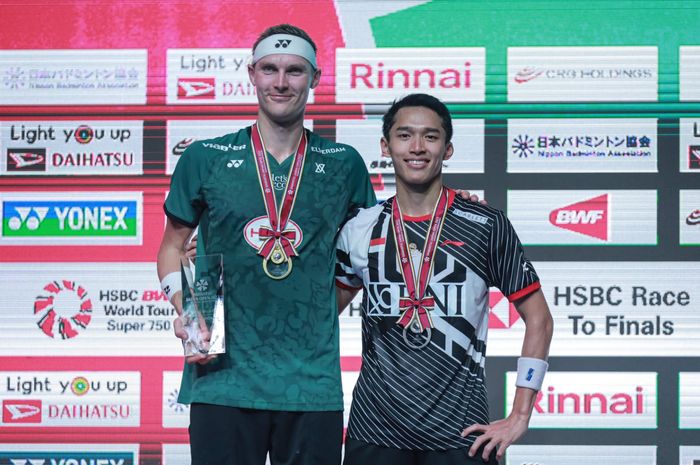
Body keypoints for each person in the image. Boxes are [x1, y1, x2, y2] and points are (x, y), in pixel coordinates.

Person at [156, 24, 376, 465]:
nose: (281, 82)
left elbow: (365, 255)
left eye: (295, 71)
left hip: (310, 383)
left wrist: (315, 307)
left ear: (314, 78)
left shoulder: (344, 164)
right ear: (251, 74)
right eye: (270, 69)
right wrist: (187, 309)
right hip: (221, 378)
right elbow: (171, 246)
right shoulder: (205, 157)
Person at [335, 93, 554, 465]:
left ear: (447, 149)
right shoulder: (359, 227)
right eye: (405, 136)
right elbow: (319, 316)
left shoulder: (485, 225)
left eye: (430, 137)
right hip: (374, 432)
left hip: (462, 436)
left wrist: (520, 416)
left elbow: (540, 320)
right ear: (385, 147)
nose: (417, 147)